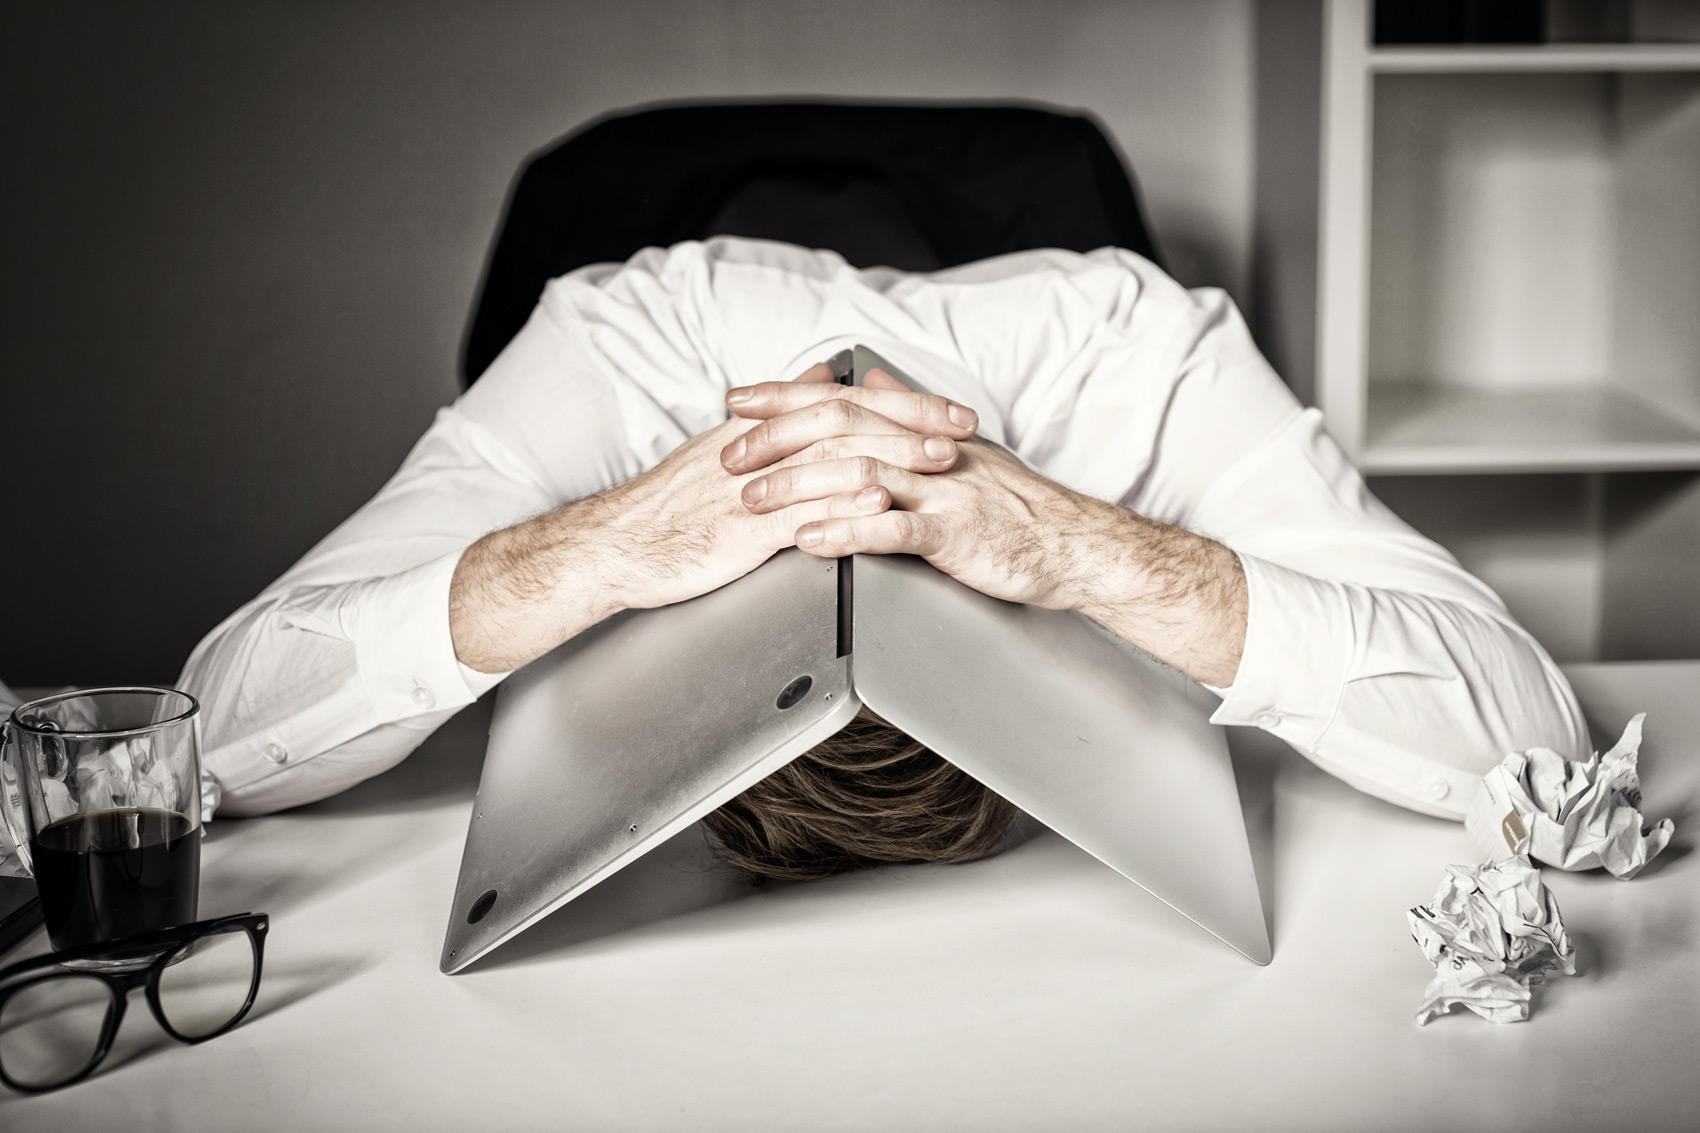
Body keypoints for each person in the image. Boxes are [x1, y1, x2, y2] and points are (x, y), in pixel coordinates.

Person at [179, 238, 1588, 879]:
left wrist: (1081, 547)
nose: (853, 521)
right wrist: (602, 546)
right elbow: (200, 743)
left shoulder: (1149, 356)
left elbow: (1537, 753)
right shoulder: (609, 346)